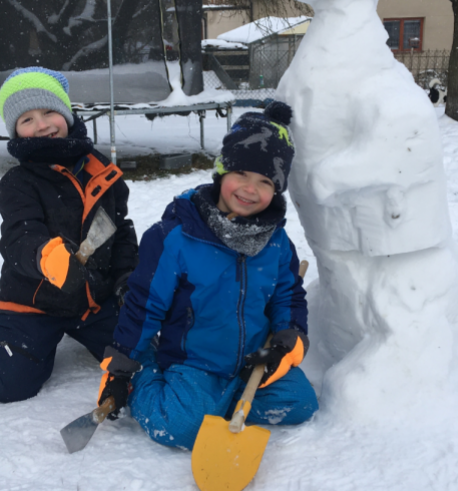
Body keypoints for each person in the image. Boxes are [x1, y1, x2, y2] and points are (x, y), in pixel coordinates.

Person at [97, 101, 318, 449]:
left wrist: (283, 344)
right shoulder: (177, 237)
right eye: (241, 175)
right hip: (193, 359)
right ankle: (145, 372)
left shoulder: (276, 242)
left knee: (301, 402)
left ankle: (219, 400)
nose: (249, 189)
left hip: (250, 360)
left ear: (276, 189)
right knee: (180, 427)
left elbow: (287, 297)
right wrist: (122, 367)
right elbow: (144, 305)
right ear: (221, 172)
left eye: (264, 181)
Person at [0, 67, 138, 403]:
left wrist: (125, 277)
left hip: (94, 299)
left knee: (142, 359)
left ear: (66, 112)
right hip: (34, 298)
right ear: (16, 130)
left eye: (49, 112)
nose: (42, 125)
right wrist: (48, 258)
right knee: (5, 385)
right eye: (28, 119)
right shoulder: (19, 183)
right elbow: (19, 237)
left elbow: (119, 230)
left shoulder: (101, 172)